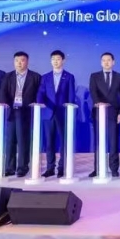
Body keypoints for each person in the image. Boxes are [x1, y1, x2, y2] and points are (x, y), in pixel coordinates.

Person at [0, 51, 41, 178]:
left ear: (27, 61)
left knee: (23, 140)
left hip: (26, 112)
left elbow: (39, 94)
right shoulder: (7, 76)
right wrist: (5, 106)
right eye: (16, 60)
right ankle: (9, 167)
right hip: (11, 112)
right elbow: (3, 92)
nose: (19, 63)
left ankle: (22, 167)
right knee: (10, 140)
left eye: (22, 60)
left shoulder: (35, 77)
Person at [36, 50, 76, 178]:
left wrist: (69, 110)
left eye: (58, 59)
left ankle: (62, 167)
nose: (55, 61)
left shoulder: (69, 76)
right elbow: (41, 92)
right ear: (50, 61)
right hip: (48, 112)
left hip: (63, 113)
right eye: (53, 59)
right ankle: (50, 168)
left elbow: (71, 96)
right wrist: (39, 102)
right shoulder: (45, 77)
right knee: (49, 142)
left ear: (63, 60)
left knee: (64, 142)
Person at [88, 52, 120, 178]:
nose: (106, 62)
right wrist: (98, 103)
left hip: (114, 113)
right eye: (104, 60)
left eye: (109, 60)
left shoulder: (119, 77)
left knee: (114, 141)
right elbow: (93, 92)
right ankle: (97, 168)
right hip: (99, 112)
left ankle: (114, 168)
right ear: (101, 62)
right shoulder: (94, 76)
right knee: (99, 141)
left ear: (113, 62)